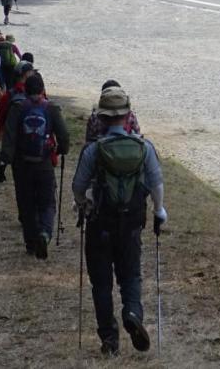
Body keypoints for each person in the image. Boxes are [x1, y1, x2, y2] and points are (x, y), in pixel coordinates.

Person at [73, 86, 166, 356]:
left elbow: (78, 187)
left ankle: (109, 339)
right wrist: (159, 211)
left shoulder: (93, 151)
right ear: (127, 117)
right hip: (132, 224)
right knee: (131, 275)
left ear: (101, 118)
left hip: (100, 223)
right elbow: (156, 183)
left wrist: (84, 204)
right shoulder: (144, 147)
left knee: (101, 283)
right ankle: (132, 311)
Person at [0, 75, 70, 259]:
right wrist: (62, 149)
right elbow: (64, 135)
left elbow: (10, 137)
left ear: (25, 90)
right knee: (47, 202)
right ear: (42, 88)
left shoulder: (18, 107)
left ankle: (30, 243)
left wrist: (3, 162)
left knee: (26, 203)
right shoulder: (51, 108)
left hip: (22, 165)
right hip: (44, 163)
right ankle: (45, 233)